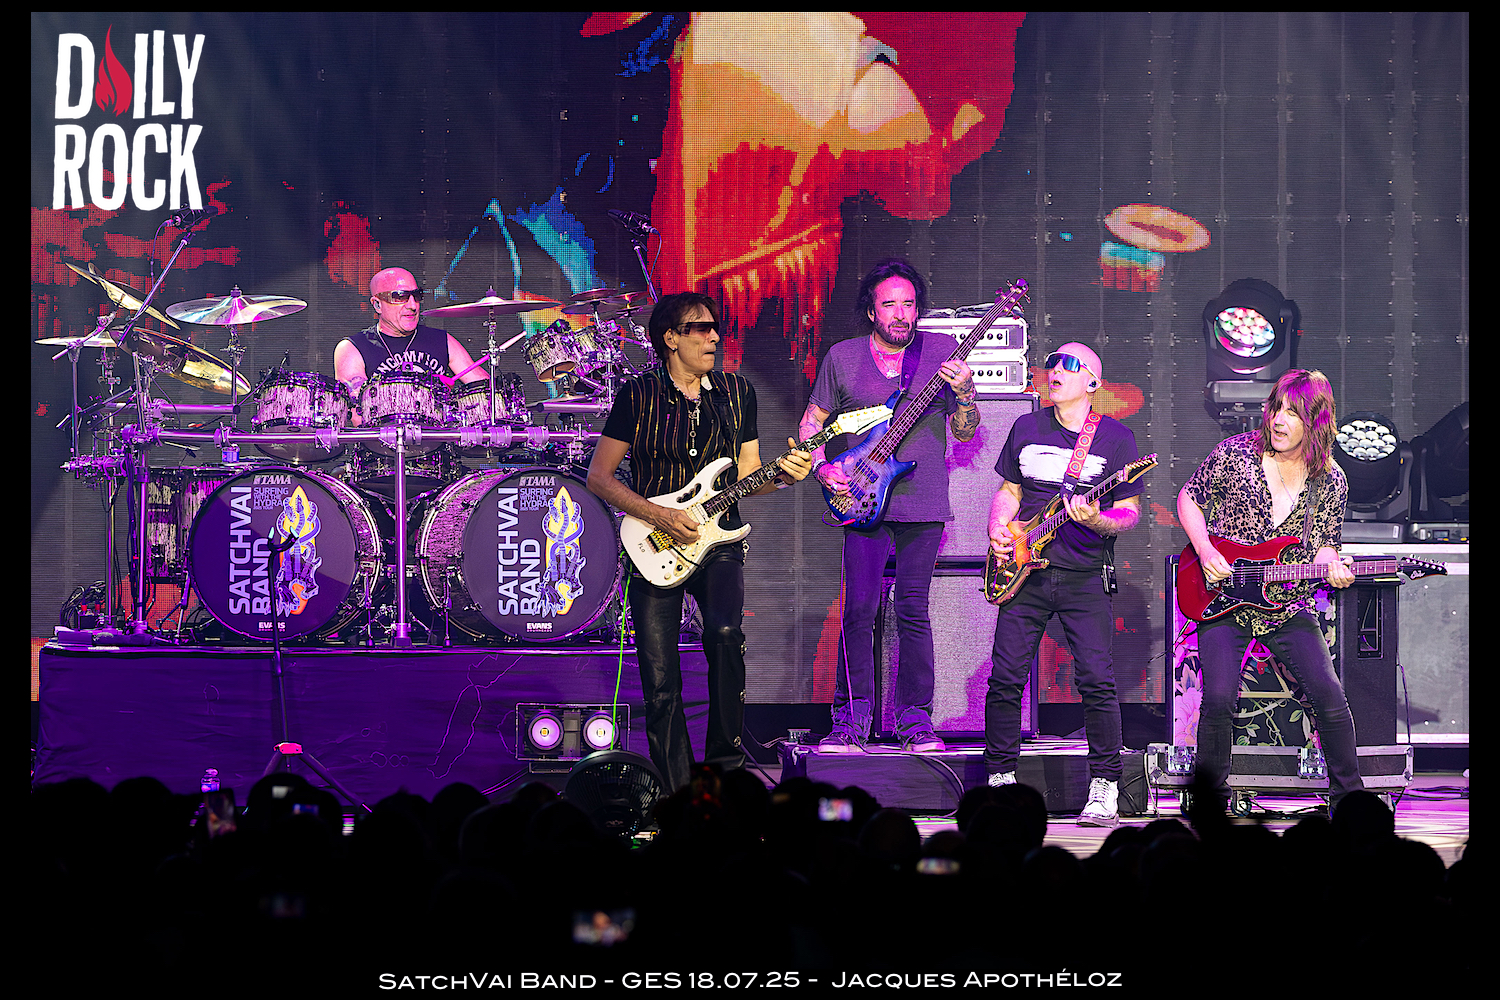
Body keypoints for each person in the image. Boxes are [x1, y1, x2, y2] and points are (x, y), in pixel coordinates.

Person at [585, 292, 812, 792]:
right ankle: (677, 793)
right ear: (670, 338)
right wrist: (660, 514)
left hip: (719, 542)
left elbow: (750, 474)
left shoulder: (736, 392)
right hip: (653, 540)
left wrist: (784, 475)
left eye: (715, 328)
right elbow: (599, 477)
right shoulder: (638, 395)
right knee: (660, 676)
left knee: (726, 636)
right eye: (701, 329)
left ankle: (724, 779)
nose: (714, 337)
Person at [802, 258, 980, 754]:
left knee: (912, 610)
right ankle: (850, 723)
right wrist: (823, 467)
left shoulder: (941, 352)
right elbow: (811, 422)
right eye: (889, 304)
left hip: (923, 503)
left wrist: (965, 392)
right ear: (871, 311)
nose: (901, 314)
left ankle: (915, 722)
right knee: (859, 611)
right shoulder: (843, 357)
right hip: (861, 498)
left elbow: (966, 432)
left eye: (908, 304)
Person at [1177, 368, 1364, 813]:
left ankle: (1350, 802)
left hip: (1285, 604)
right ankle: (1209, 802)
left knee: (1330, 698)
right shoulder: (1235, 453)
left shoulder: (1330, 480)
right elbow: (1189, 498)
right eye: (1276, 408)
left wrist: (1332, 566)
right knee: (1218, 700)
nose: (1279, 419)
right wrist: (1205, 550)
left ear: (1315, 421)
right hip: (1223, 598)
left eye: (1293, 412)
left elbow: (1322, 545)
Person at [984, 343, 1141, 827]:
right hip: (1024, 570)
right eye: (1052, 362)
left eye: (1070, 365)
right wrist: (998, 527)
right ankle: (999, 780)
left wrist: (1096, 519)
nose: (1056, 370)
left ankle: (1105, 785)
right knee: (1006, 678)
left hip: (1084, 574)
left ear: (1093, 382)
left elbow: (1128, 514)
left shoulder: (1116, 439)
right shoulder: (1025, 427)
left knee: (1096, 680)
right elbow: (1009, 491)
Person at [333, 267, 488, 398]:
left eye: (417, 296)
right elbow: (358, 412)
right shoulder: (353, 348)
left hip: (440, 425)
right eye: (401, 297)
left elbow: (486, 392)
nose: (413, 306)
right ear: (377, 305)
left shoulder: (441, 340)